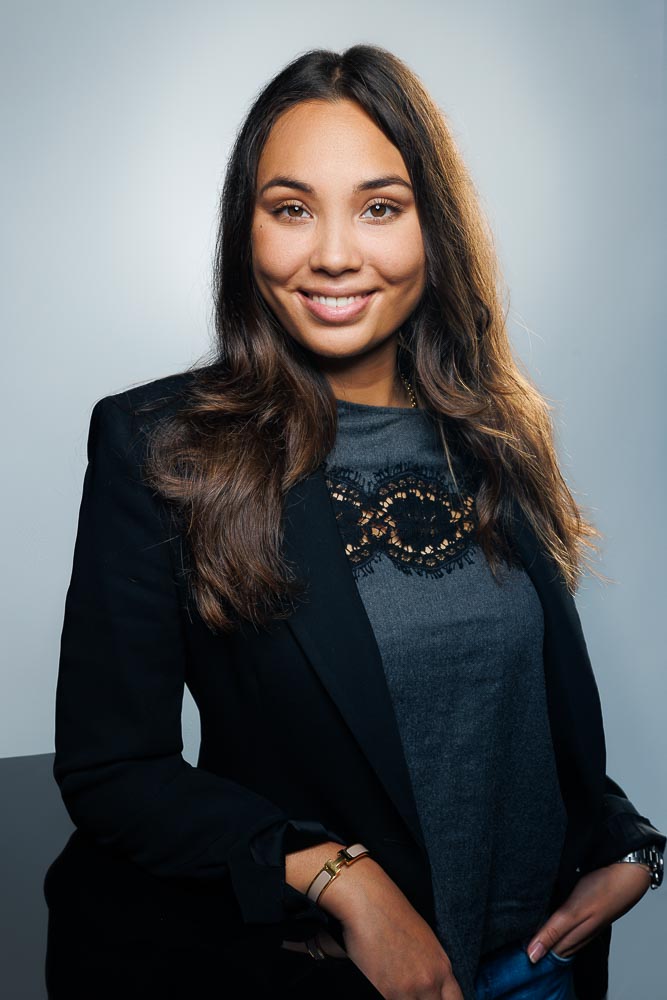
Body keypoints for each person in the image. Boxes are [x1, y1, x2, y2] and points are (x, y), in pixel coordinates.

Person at [44, 44, 665, 1000]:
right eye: (290, 208)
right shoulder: (160, 445)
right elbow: (113, 771)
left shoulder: (495, 433)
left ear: (433, 230)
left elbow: (510, 716)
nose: (334, 253)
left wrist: (630, 846)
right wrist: (342, 876)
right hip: (339, 975)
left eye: (380, 207)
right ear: (245, 231)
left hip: (540, 966)